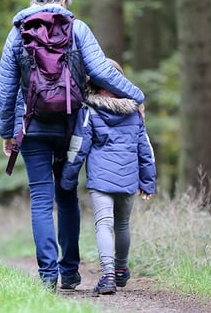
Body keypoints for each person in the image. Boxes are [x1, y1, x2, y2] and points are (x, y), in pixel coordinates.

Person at [0, 0, 145, 291]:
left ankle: (48, 276)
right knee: (66, 196)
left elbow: (6, 90)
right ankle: (71, 272)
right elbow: (103, 71)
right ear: (63, 0)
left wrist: (7, 131)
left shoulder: (17, 33)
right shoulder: (78, 29)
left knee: (40, 199)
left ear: (35, 0)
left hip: (32, 126)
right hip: (71, 126)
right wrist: (136, 96)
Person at [60, 59, 156, 295]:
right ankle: (121, 270)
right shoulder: (134, 112)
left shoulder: (89, 110)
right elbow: (145, 149)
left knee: (104, 225)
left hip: (101, 180)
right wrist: (147, 181)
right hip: (128, 177)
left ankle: (109, 274)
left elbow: (78, 146)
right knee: (122, 225)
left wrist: (67, 179)